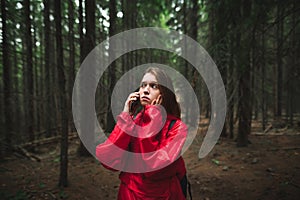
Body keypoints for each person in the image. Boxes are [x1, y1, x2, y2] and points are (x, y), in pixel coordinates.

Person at [96, 67, 188, 199]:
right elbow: (109, 160)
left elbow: (153, 168)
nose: (145, 90)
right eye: (143, 85)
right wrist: (125, 117)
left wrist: (153, 116)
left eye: (153, 86)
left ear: (165, 93)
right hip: (130, 193)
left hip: (165, 195)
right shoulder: (132, 123)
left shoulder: (177, 128)